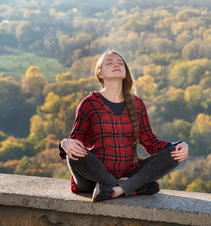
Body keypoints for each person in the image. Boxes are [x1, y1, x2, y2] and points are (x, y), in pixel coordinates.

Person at [58, 50, 189, 202]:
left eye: (120, 63)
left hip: (129, 172)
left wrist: (179, 145)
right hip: (92, 178)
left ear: (125, 72)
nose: (116, 64)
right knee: (75, 154)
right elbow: (75, 143)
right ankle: (130, 187)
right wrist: (64, 144)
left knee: (173, 154)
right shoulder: (89, 104)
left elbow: (151, 144)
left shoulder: (137, 104)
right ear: (100, 73)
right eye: (110, 62)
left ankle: (116, 190)